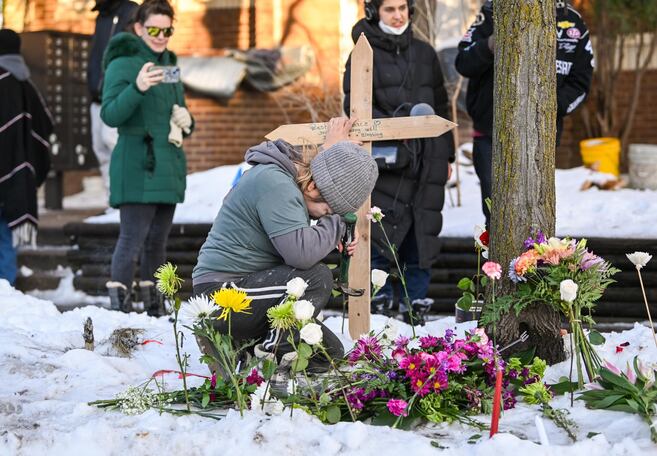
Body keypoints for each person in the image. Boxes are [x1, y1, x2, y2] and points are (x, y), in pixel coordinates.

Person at [192, 117, 379, 372]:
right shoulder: (276, 184)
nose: (324, 217)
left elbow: (318, 186)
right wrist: (336, 224)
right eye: (327, 211)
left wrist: (330, 154)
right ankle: (267, 356)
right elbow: (300, 255)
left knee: (328, 353)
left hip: (254, 291)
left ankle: (244, 346)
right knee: (316, 278)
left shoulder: (294, 184)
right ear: (312, 186)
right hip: (220, 295)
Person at [343, 0, 455, 324]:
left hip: (427, 160)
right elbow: (356, 109)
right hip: (386, 163)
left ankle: (414, 304)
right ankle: (379, 306)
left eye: (402, 7)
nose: (398, 15)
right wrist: (398, 128)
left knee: (421, 234)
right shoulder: (361, 54)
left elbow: (441, 104)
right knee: (380, 232)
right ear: (374, 12)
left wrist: (446, 154)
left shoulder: (425, 53)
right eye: (389, 9)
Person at [455, 0, 594, 228]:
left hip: (541, 135)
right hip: (491, 135)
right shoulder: (493, 10)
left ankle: (537, 253)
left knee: (536, 214)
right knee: (498, 217)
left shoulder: (572, 22)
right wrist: (489, 45)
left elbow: (581, 82)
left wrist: (549, 106)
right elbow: (462, 62)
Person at [101, 0, 194, 315]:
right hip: (136, 163)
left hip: (168, 163)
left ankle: (156, 310)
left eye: (167, 31)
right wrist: (137, 88)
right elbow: (110, 114)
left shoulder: (169, 66)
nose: (161, 37)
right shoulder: (123, 64)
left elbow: (177, 112)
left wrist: (187, 121)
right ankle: (120, 314)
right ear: (139, 28)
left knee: (158, 242)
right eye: (154, 30)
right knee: (132, 239)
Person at [0, 29, 52, 286]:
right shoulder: (27, 84)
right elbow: (44, 128)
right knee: (7, 237)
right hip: (18, 181)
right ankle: (6, 291)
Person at [88, 0, 138, 192]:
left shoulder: (130, 11)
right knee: (100, 148)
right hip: (97, 95)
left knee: (114, 144)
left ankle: (124, 196)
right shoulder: (102, 15)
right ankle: (112, 198)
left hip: (117, 95)